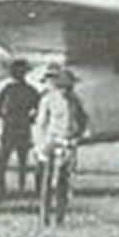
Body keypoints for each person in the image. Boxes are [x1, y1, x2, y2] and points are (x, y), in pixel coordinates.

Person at [32, 64, 90, 224]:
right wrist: (40, 147)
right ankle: (44, 217)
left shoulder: (74, 101)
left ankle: (60, 217)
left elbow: (83, 119)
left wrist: (78, 136)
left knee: (63, 182)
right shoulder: (47, 100)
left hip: (68, 144)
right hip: (51, 143)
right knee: (47, 182)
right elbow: (40, 124)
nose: (68, 88)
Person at [0, 59, 41, 192]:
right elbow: (39, 108)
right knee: (21, 159)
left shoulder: (7, 90)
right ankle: (18, 185)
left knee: (5, 158)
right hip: (21, 126)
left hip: (11, 126)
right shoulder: (30, 90)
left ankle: (3, 185)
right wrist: (31, 118)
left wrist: (4, 117)